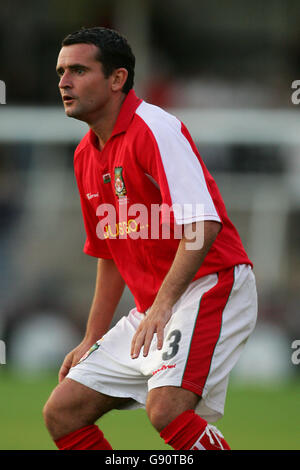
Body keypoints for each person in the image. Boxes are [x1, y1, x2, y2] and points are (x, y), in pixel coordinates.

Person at [43, 26, 258, 451]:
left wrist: (163, 304)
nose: (65, 82)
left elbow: (204, 224)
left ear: (117, 79)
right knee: (62, 412)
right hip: (155, 307)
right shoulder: (86, 154)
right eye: (61, 71)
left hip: (209, 286)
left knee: (168, 409)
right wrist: (92, 336)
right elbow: (108, 251)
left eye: (79, 70)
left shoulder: (155, 129)